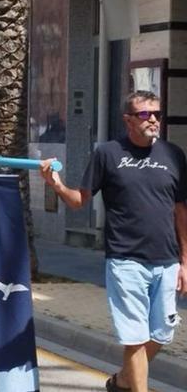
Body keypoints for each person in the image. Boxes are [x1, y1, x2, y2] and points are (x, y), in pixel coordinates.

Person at [39, 91, 187, 392]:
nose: (154, 120)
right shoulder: (108, 154)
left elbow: (181, 209)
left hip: (167, 260)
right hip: (125, 259)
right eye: (146, 114)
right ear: (128, 119)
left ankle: (122, 381)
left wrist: (186, 260)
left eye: (157, 113)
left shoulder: (173, 154)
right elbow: (80, 201)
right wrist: (55, 184)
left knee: (161, 333)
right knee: (134, 338)